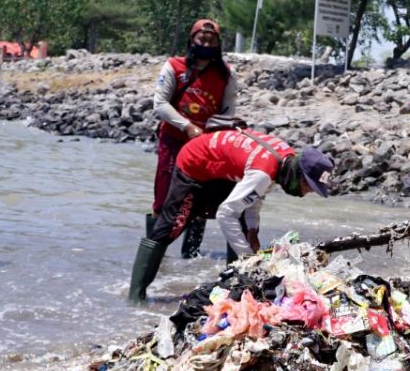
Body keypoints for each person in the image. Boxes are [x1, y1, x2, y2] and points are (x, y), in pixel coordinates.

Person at [128, 128, 335, 302]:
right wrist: (248, 256)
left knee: (244, 226)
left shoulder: (285, 160)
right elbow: (225, 214)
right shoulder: (265, 171)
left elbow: (257, 195)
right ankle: (136, 297)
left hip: (221, 167)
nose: (308, 192)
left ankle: (234, 287)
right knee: (172, 226)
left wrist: (253, 230)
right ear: (298, 174)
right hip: (194, 162)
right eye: (309, 186)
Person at [152, 18, 239, 258]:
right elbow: (159, 105)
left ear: (218, 44)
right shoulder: (174, 67)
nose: (206, 43)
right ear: (192, 40)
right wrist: (187, 126)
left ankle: (189, 258)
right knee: (163, 200)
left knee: (200, 203)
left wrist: (217, 134)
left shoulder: (227, 74)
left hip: (206, 147)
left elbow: (228, 112)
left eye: (211, 40)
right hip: (174, 141)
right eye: (202, 39)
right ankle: (155, 255)